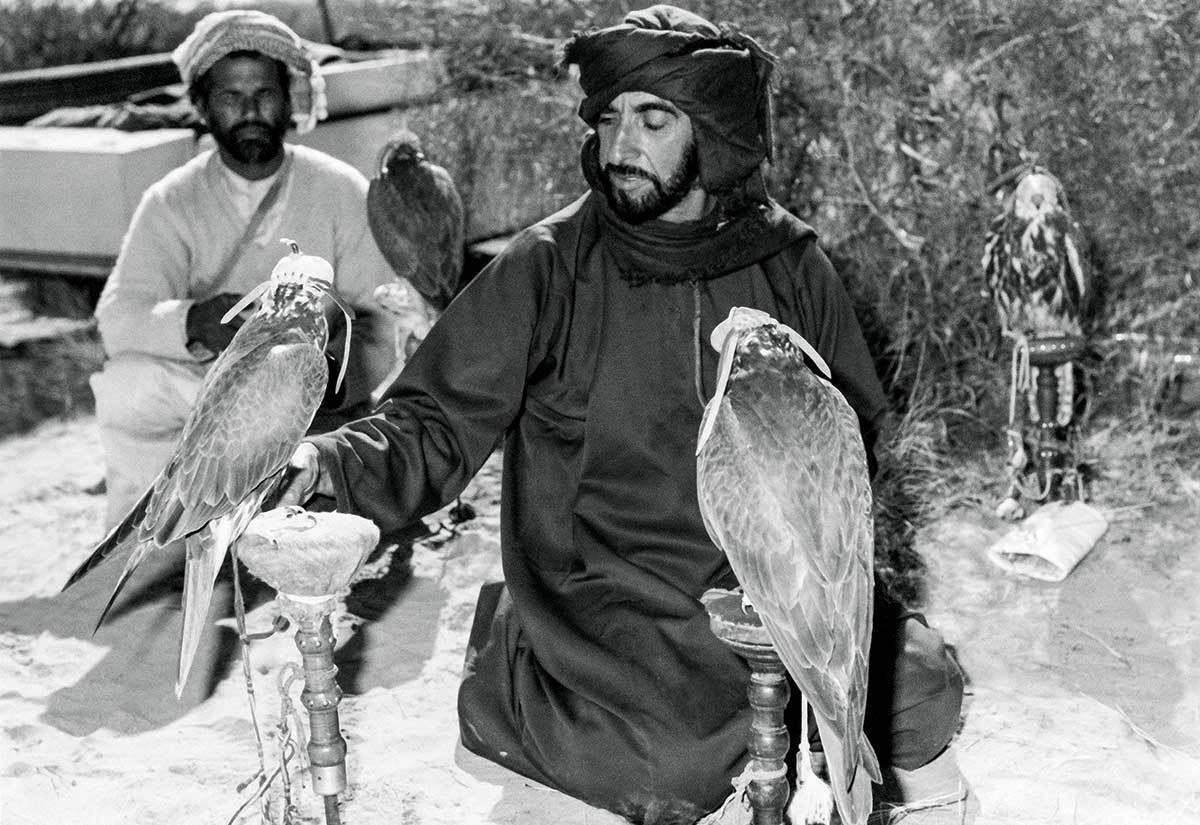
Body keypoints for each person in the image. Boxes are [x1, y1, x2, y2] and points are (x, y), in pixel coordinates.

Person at [277, 6, 975, 825]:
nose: (618, 146)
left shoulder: (790, 263)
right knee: (680, 765)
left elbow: (854, 452)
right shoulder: (547, 266)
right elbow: (430, 421)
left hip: (771, 594)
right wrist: (324, 464)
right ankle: (512, 663)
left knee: (922, 683)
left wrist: (839, 594)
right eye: (608, 118)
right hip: (609, 606)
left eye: (652, 119)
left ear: (712, 135)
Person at [89, 9, 396, 527]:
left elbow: (382, 321)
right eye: (231, 97)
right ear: (203, 106)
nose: (249, 111)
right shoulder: (171, 200)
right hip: (210, 392)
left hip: (309, 400)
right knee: (126, 386)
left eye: (264, 94)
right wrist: (195, 320)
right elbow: (117, 319)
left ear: (289, 100)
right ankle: (147, 545)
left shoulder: (341, 189)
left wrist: (322, 358)